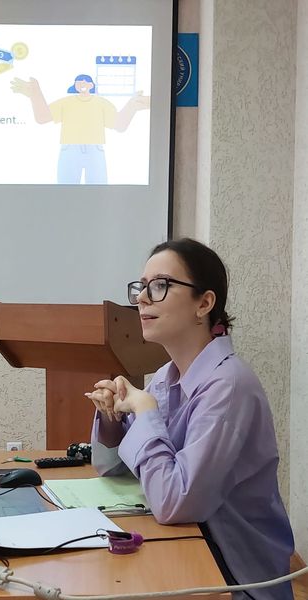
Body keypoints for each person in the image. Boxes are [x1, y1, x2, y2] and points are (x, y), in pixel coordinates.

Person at [86, 238, 294, 600]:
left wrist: (145, 411)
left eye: (160, 285)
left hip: (237, 580)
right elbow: (112, 467)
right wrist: (112, 418)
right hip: (192, 549)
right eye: (141, 286)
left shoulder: (229, 386)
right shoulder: (166, 376)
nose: (142, 298)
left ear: (204, 303)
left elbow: (174, 503)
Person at [11, 73, 149, 184]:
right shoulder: (66, 102)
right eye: (79, 81)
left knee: (98, 192)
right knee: (66, 192)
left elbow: (119, 125)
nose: (83, 83)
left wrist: (132, 106)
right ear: (75, 85)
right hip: (69, 149)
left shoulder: (101, 103)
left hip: (95, 149)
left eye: (86, 81)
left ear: (92, 85)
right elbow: (43, 117)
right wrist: (35, 94)